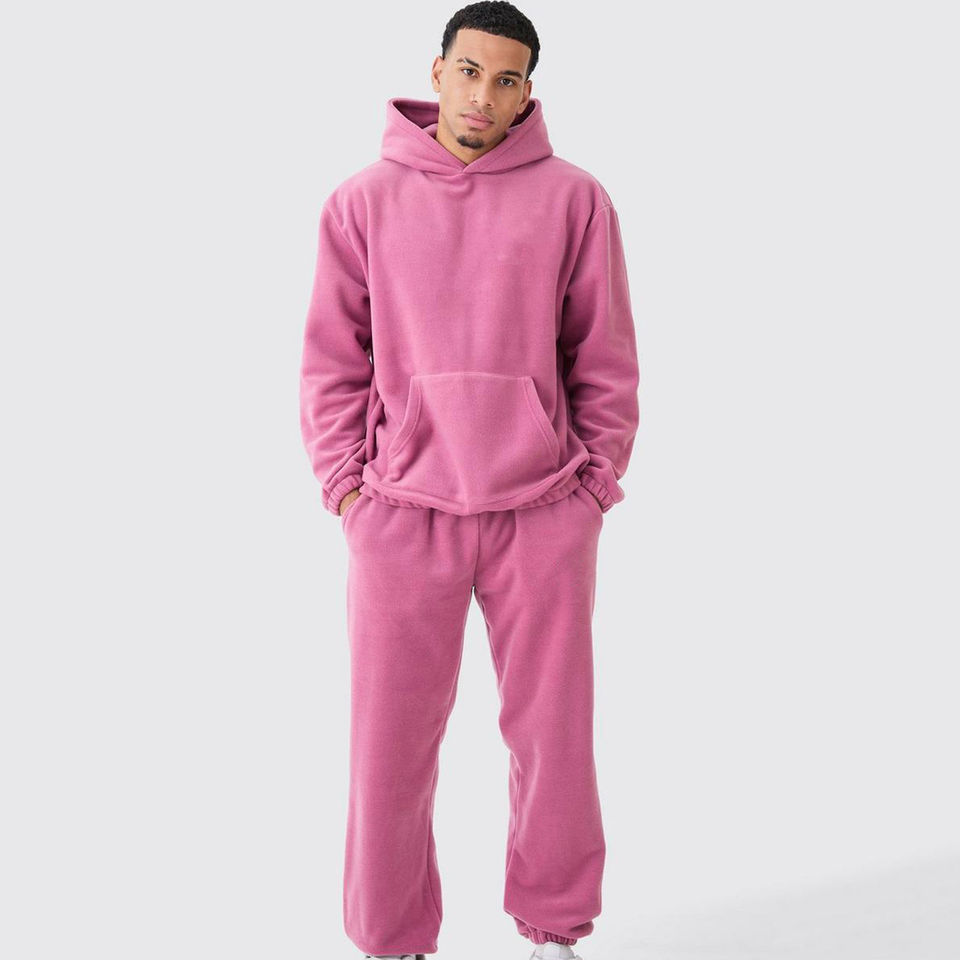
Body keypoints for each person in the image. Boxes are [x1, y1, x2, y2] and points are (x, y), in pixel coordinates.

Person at [299, 3, 640, 958]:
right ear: (437, 72)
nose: (484, 94)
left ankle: (556, 931)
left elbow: (605, 358)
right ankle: (392, 941)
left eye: (506, 78)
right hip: (402, 515)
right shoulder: (361, 202)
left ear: (528, 91)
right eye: (469, 71)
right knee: (388, 750)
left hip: (542, 510)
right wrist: (348, 489)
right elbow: (331, 363)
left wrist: (593, 488)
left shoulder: (575, 200)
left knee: (554, 740)